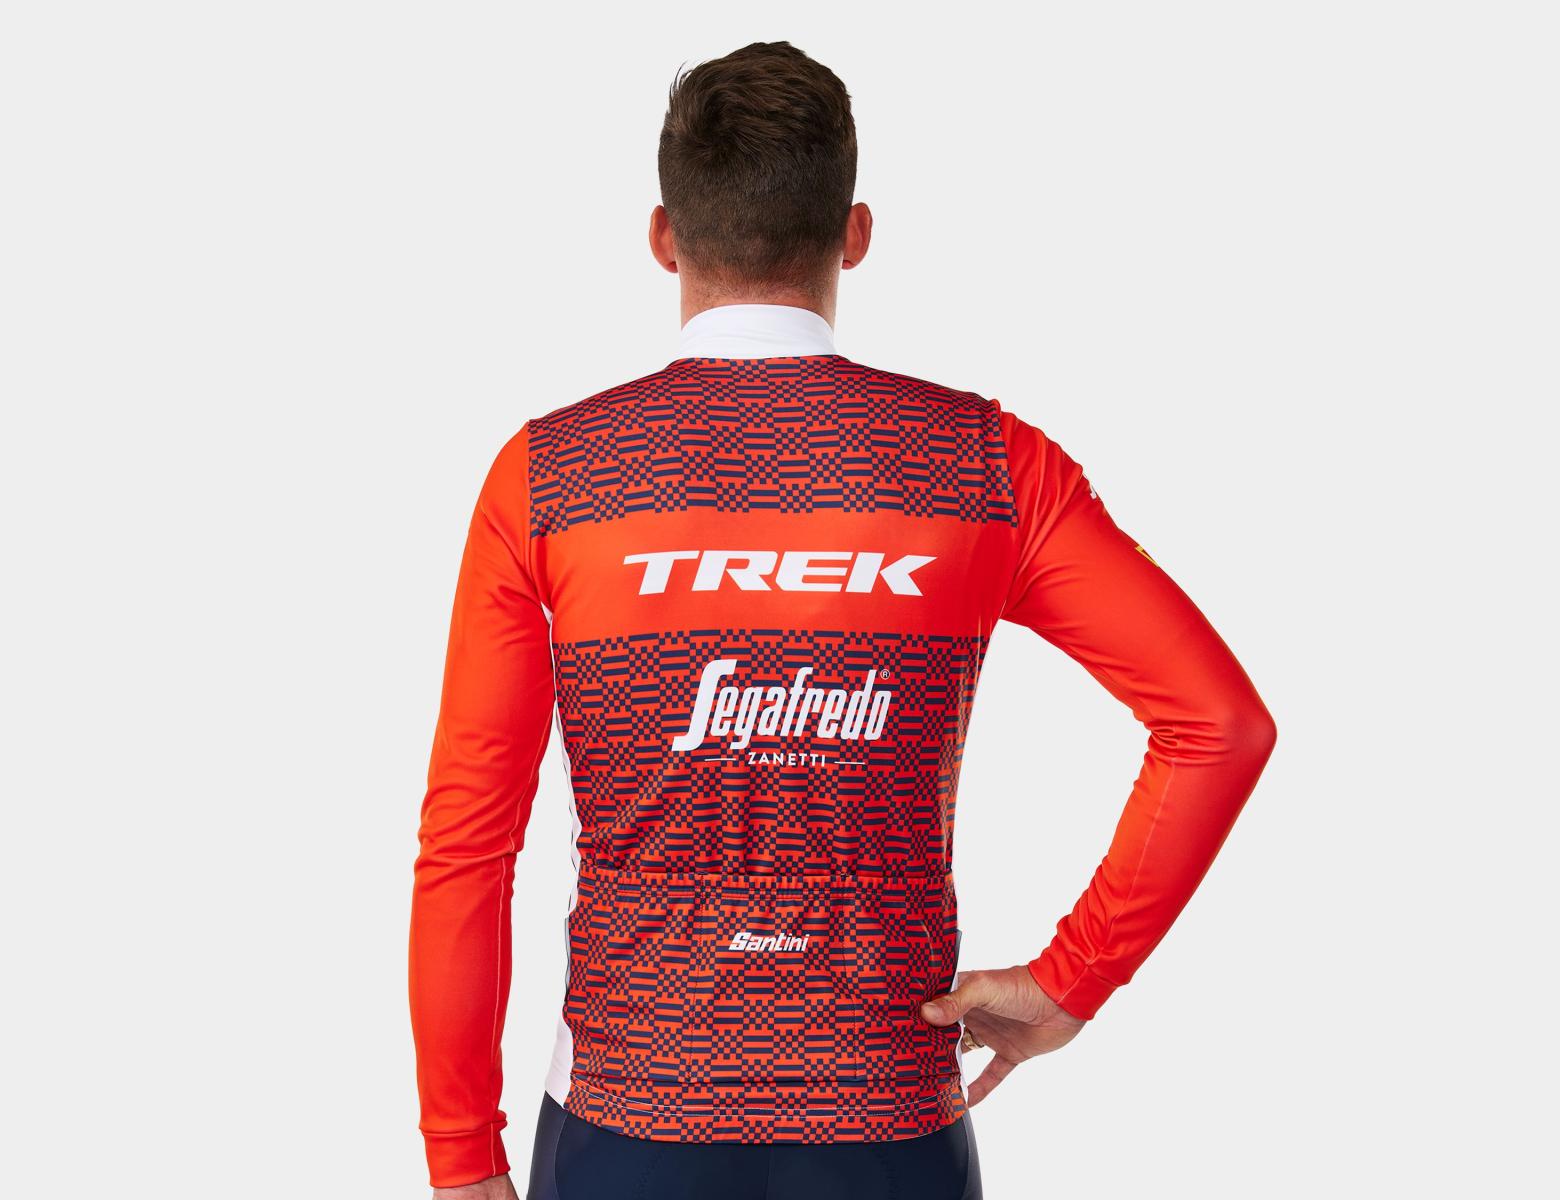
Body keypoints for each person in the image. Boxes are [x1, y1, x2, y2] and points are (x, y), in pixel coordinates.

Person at [409, 41, 1275, 1200]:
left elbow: (469, 842)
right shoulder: (986, 465)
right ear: (853, 233)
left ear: (664, 236)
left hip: (629, 1123)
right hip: (887, 1127)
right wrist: (1074, 978)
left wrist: (461, 1154)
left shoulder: (548, 477)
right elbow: (1219, 725)